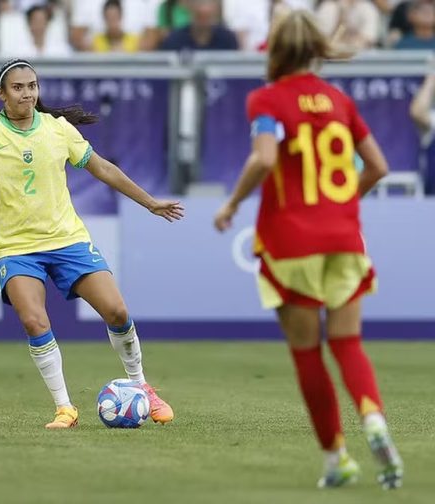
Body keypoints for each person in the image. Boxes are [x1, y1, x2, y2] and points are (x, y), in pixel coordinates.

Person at [0, 58, 184, 429]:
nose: (27, 93)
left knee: (118, 312)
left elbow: (103, 168)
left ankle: (144, 388)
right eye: (18, 87)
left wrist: (150, 202)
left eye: (32, 86)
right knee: (33, 319)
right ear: (1, 94)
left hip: (68, 240)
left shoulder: (58, 130)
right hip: (16, 247)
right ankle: (65, 408)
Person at [213, 10, 403, 489]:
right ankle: (374, 418)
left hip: (290, 243)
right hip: (343, 236)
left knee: (307, 352)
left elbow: (265, 157)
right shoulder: (339, 99)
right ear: (316, 47)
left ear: (274, 49)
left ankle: (336, 457)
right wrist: (337, 204)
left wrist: (232, 204)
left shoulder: (267, 99)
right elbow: (378, 166)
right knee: (348, 343)